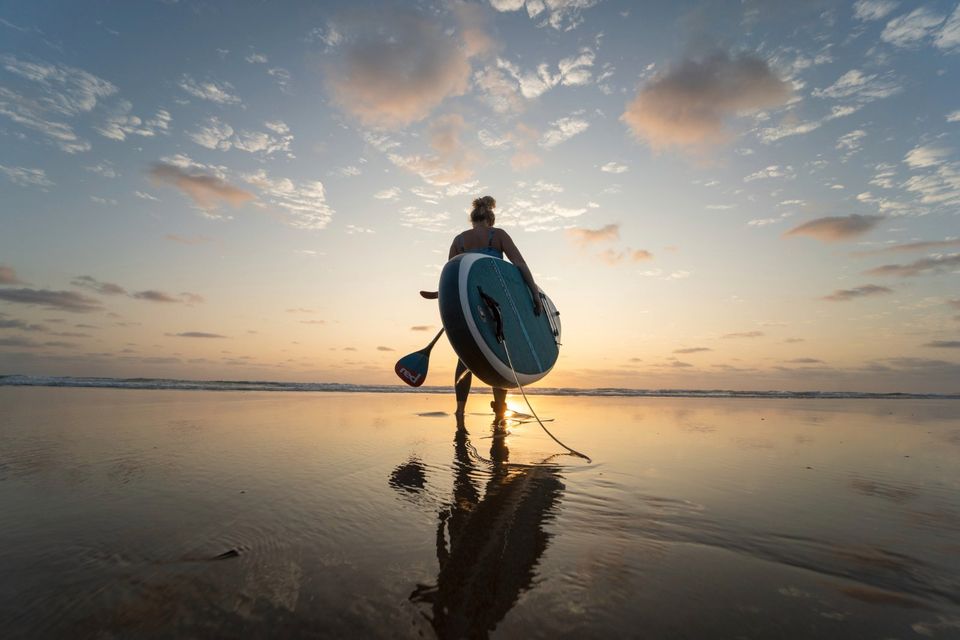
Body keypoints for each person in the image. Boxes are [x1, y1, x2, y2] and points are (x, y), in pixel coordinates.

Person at [448, 195, 542, 426]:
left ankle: (460, 411)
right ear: (490, 218)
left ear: (473, 219)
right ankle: (500, 409)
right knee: (498, 354)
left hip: (469, 307)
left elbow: (450, 281)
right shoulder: (497, 235)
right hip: (495, 305)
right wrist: (534, 293)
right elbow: (520, 265)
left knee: (466, 356)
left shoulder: (459, 241)